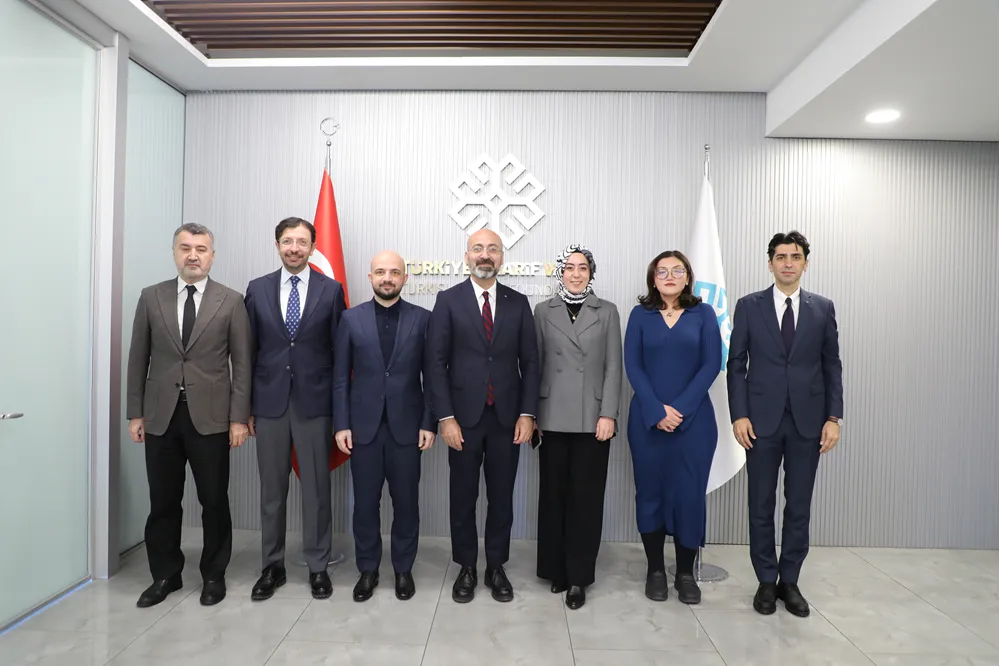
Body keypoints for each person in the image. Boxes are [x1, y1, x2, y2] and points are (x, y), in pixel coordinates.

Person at [126, 223, 252, 608]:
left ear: (212, 255)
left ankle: (214, 574)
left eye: (200, 249)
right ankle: (166, 574)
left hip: (211, 418)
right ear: (174, 252)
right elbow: (138, 357)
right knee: (163, 500)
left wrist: (238, 418)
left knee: (213, 500)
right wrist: (135, 413)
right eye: (185, 248)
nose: (192, 255)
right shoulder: (151, 297)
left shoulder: (231, 301)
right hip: (160, 416)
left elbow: (242, 365)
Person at [727, 230, 843, 618]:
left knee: (799, 506)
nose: (788, 263)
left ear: (805, 263)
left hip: (808, 423)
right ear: (770, 263)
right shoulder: (749, 306)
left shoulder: (822, 308)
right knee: (760, 504)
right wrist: (739, 414)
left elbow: (832, 365)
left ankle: (789, 581)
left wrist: (833, 417)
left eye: (795, 257)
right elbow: (736, 364)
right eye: (781, 257)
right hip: (760, 422)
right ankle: (765, 580)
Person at [427, 228, 540, 604]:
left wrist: (528, 413)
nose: (485, 255)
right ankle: (466, 566)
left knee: (501, 497)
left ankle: (495, 566)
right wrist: (445, 417)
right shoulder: (447, 300)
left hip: (507, 419)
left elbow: (531, 362)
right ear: (467, 256)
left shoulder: (518, 302)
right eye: (478, 248)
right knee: (462, 497)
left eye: (492, 249)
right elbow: (435, 363)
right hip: (462, 420)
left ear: (502, 257)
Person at [244, 216, 346, 601]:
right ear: (277, 245)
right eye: (287, 241)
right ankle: (272, 567)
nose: (294, 248)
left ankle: (318, 566)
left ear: (313, 248)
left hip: (314, 405)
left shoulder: (331, 290)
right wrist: (245, 408)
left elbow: (340, 354)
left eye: (302, 242)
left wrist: (339, 410)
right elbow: (247, 351)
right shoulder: (257, 289)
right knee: (272, 491)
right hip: (268, 404)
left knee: (317, 490)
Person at [334, 251, 435, 602]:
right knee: (365, 504)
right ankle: (368, 569)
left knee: (406, 504)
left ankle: (403, 569)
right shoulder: (350, 319)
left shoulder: (423, 319)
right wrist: (341, 424)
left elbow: (432, 377)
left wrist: (428, 422)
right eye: (380, 272)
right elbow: (340, 378)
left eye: (394, 272)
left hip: (408, 429)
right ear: (370, 277)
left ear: (405, 278)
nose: (387, 278)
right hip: (363, 429)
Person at [624, 250, 721, 605]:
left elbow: (712, 364)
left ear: (688, 277)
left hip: (694, 423)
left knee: (689, 496)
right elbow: (632, 365)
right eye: (662, 271)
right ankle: (654, 570)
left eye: (677, 270)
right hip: (647, 422)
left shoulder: (703, 314)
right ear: (653, 278)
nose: (669, 276)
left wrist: (679, 409)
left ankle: (684, 573)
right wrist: (655, 410)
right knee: (649, 493)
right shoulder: (640, 315)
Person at [533, 244, 622, 610]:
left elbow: (614, 366)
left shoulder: (608, 311)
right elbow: (536, 364)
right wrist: (532, 415)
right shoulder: (543, 310)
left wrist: (609, 414)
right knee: (553, 497)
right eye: (569, 267)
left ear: (590, 273)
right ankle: (556, 569)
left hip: (592, 418)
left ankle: (579, 577)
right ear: (560, 272)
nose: (575, 273)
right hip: (551, 416)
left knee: (586, 500)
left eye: (582, 267)